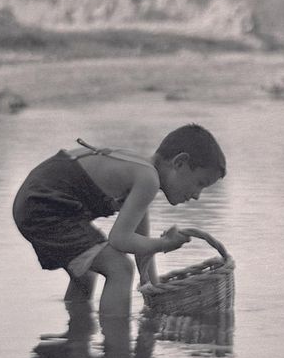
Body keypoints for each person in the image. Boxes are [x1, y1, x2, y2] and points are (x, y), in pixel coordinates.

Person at [13, 124, 226, 318]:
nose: (197, 195)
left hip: (36, 201)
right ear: (179, 163)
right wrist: (164, 244)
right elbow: (120, 240)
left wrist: (154, 290)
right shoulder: (147, 179)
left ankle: (76, 344)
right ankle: (118, 353)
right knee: (119, 268)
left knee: (85, 275)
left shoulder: (142, 173)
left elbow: (141, 246)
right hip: (45, 204)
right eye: (200, 183)